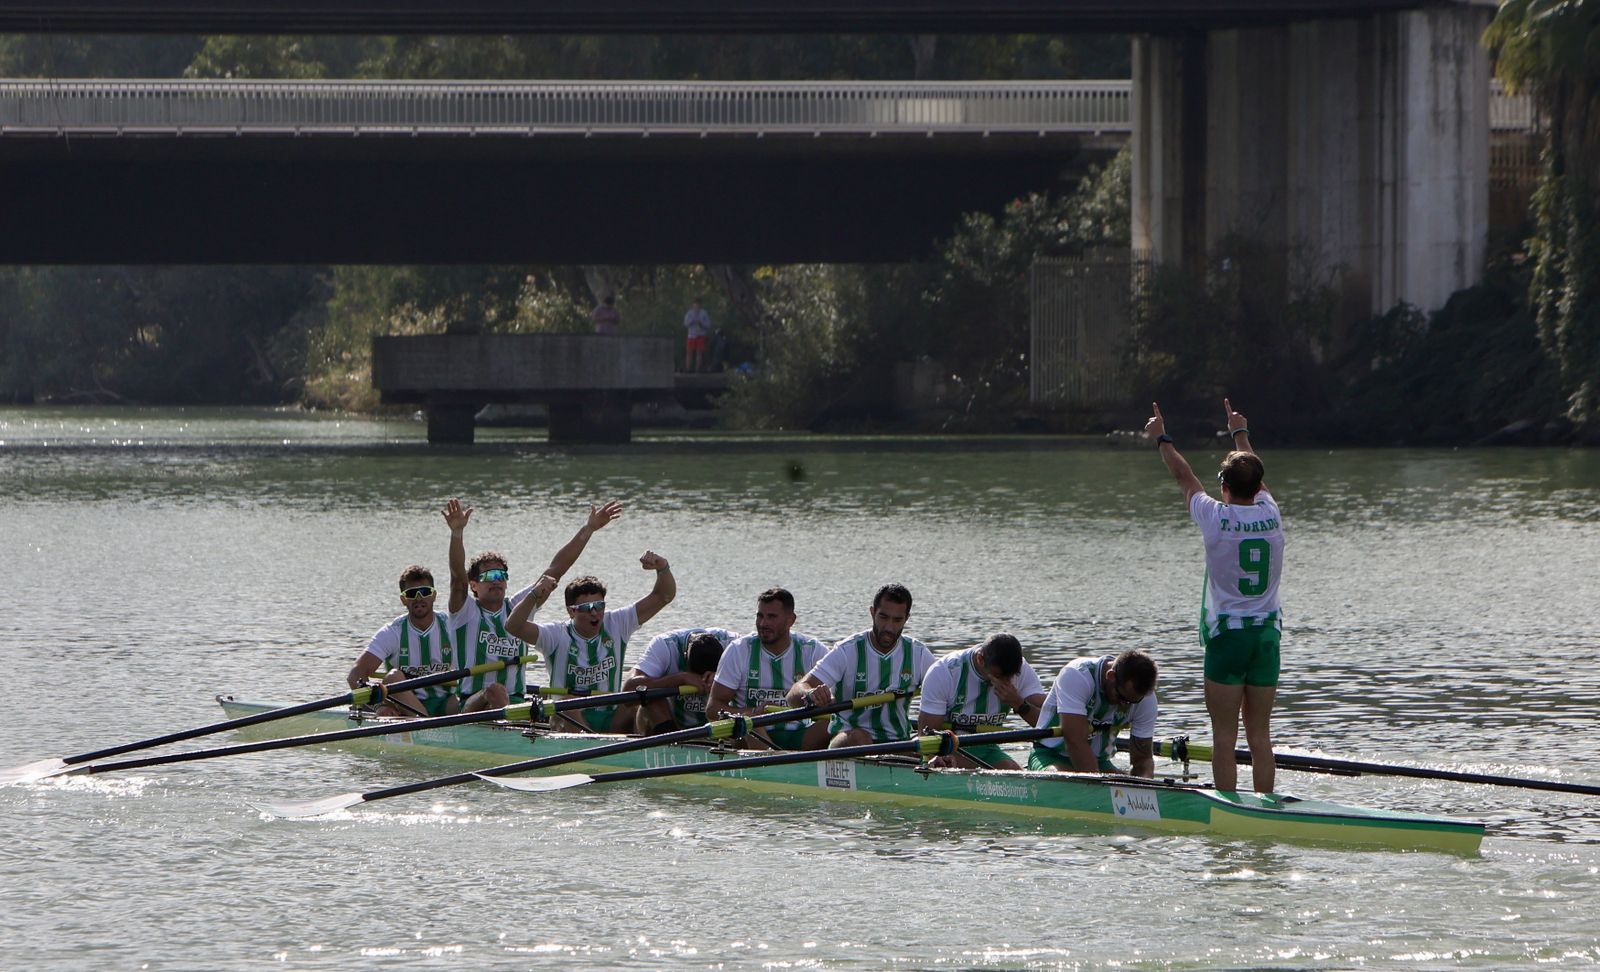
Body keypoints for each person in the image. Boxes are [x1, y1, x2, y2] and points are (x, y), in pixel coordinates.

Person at [1145, 398, 1283, 792]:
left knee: (1225, 736)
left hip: (1228, 638)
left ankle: (1230, 806)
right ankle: (1266, 805)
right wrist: (1240, 432)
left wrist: (1162, 438)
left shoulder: (1216, 517)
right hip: (1267, 636)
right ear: (1258, 487)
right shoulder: (1271, 512)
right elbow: (1254, 473)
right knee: (1260, 736)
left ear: (1224, 488)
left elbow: (1184, 477)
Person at [446, 498, 623, 714]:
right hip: (473, 703)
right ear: (473, 585)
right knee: (495, 690)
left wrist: (589, 529)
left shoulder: (519, 606)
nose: (496, 581)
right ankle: (514, 726)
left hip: (515, 701)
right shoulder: (465, 612)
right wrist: (457, 533)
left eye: (501, 575)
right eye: (489, 576)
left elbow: (556, 569)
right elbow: (457, 579)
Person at [506, 553, 676, 733]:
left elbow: (663, 596)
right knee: (567, 703)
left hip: (611, 716)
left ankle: (651, 743)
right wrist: (534, 595)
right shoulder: (555, 635)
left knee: (640, 700)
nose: (595, 613)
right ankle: (593, 743)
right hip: (570, 716)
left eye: (599, 606)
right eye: (586, 608)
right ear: (571, 611)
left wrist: (663, 568)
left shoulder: (618, 623)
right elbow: (513, 626)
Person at [787, 584, 935, 748]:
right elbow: (794, 694)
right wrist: (809, 694)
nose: (889, 627)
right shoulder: (847, 651)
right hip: (849, 740)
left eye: (897, 620)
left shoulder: (918, 654)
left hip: (897, 743)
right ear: (872, 612)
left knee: (925, 742)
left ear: (907, 618)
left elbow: (945, 692)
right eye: (883, 617)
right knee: (860, 737)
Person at [706, 588, 831, 750]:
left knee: (837, 723)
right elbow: (713, 709)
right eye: (760, 616)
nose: (763, 624)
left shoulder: (813, 650)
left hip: (799, 734)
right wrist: (753, 712)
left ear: (790, 620)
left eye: (771, 617)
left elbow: (837, 699)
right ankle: (778, 758)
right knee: (748, 722)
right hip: (754, 733)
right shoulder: (738, 650)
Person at [346, 565, 466, 718]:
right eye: (411, 594)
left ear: (434, 595)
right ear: (403, 599)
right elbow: (355, 674)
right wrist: (379, 706)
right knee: (393, 677)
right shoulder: (392, 632)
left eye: (424, 592)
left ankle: (430, 723)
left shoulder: (452, 627)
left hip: (446, 702)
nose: (419, 598)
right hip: (405, 706)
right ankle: (427, 724)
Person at [915, 633, 1047, 769]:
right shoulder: (944, 672)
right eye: (998, 676)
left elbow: (1048, 722)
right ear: (980, 659)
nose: (1006, 682)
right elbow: (927, 736)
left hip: (988, 748)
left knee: (1017, 776)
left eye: (1011, 677)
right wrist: (935, 759)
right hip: (950, 749)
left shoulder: (1021, 669)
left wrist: (1018, 703)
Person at [1029, 650, 1158, 778]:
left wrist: (1143, 784)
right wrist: (1097, 786)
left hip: (1100, 762)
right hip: (1050, 755)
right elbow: (1075, 742)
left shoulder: (1145, 699)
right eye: (1122, 698)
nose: (1125, 705)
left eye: (1132, 702)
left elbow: (1143, 759)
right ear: (1111, 676)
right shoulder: (1076, 676)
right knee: (1066, 782)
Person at [623, 628, 738, 734]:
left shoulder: (734, 645)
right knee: (651, 699)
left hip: (717, 727)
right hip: (671, 724)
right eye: (697, 676)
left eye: (707, 676)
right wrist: (679, 678)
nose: (702, 680)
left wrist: (721, 677)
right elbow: (628, 692)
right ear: (685, 655)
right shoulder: (665, 645)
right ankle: (670, 742)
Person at [682, 298, 711, 373]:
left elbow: (708, 325)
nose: (697, 306)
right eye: (695, 304)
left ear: (701, 305)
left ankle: (697, 369)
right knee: (689, 352)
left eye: (698, 304)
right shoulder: (689, 313)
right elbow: (685, 324)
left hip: (700, 335)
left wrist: (701, 324)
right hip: (691, 335)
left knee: (699, 352)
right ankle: (688, 369)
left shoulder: (704, 313)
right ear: (693, 305)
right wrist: (691, 321)